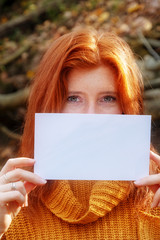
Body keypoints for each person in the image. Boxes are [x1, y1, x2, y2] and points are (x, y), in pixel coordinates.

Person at [0, 28, 160, 239]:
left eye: (108, 98)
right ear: (48, 103)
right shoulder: (13, 201)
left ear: (126, 106)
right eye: (73, 98)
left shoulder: (153, 193)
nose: (90, 116)